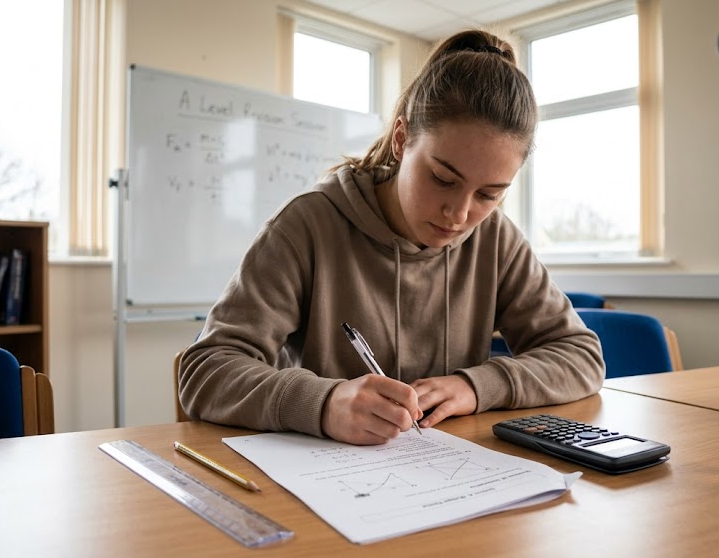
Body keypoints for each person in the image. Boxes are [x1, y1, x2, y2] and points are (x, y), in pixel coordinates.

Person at [179, 29, 604, 446]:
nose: (459, 214)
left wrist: (478, 386)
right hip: (326, 485)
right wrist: (323, 403)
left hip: (452, 480)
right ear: (402, 140)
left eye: (489, 194)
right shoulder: (306, 226)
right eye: (442, 179)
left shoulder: (496, 238)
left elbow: (581, 356)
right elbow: (206, 370)